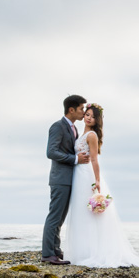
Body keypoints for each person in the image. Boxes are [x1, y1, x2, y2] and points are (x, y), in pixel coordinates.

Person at [65, 103, 139, 268]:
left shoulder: (91, 135)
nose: (89, 118)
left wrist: (96, 180)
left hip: (86, 174)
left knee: (89, 212)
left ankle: (94, 251)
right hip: (78, 174)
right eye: (87, 114)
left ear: (97, 121)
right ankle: (83, 250)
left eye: (93, 117)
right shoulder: (79, 133)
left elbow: (95, 159)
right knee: (80, 210)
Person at [41, 94, 90, 265]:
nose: (83, 112)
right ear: (71, 109)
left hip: (69, 179)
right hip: (60, 179)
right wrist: (75, 159)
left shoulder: (74, 128)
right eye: (81, 109)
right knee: (55, 216)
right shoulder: (58, 126)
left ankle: (55, 250)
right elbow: (51, 152)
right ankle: (47, 254)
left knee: (60, 218)